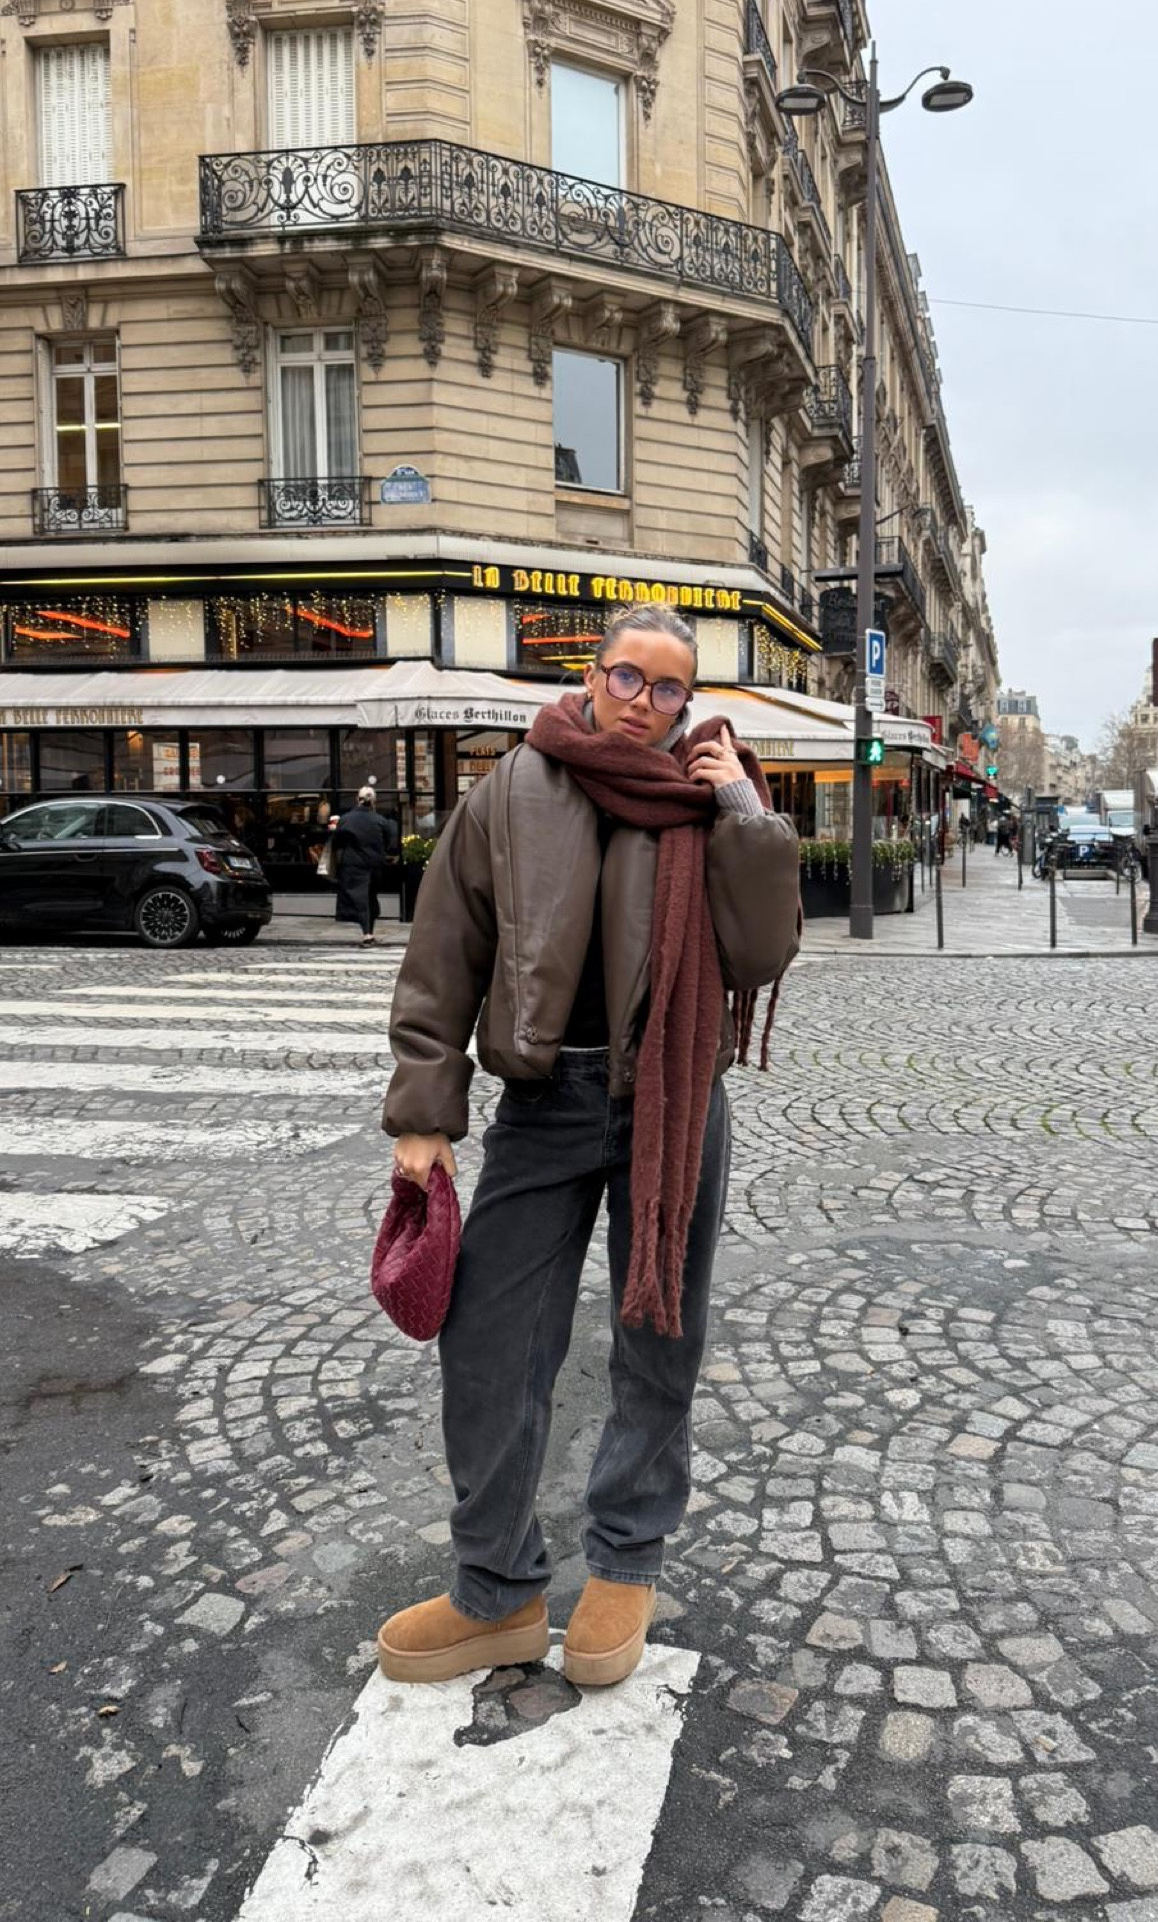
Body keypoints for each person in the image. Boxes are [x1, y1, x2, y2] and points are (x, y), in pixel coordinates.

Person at [376, 604, 800, 1690]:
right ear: (592, 671)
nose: (645, 702)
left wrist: (741, 802)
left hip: (674, 1097)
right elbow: (443, 956)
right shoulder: (514, 788)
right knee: (489, 1341)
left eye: (669, 687)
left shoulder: (714, 793)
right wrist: (425, 1110)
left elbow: (761, 949)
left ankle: (626, 1555)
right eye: (629, 676)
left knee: (658, 1334)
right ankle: (497, 1588)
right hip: (546, 1095)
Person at [332, 785, 398, 946]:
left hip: (353, 866)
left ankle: (367, 932)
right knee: (370, 898)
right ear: (374, 801)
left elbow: (337, 842)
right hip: (374, 865)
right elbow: (388, 841)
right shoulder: (380, 821)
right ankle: (369, 932)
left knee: (360, 899)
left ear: (357, 799)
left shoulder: (346, 819)